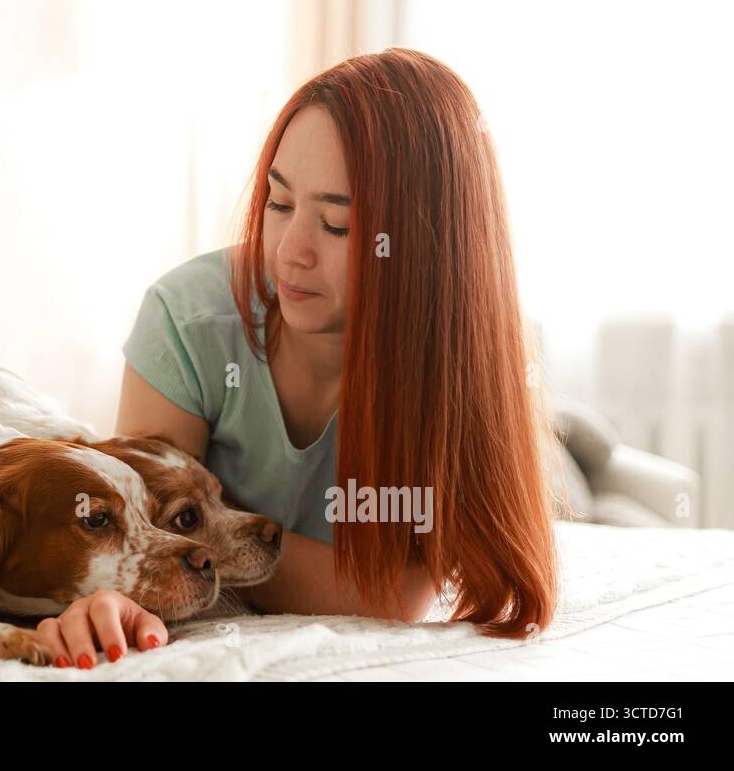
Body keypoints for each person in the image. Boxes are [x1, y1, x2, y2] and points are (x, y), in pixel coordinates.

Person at [34, 48, 561, 670]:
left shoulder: (459, 360)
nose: (290, 252)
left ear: (425, 247)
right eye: (279, 206)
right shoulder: (189, 320)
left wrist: (205, 554)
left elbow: (399, 594)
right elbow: (146, 552)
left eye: (337, 224)